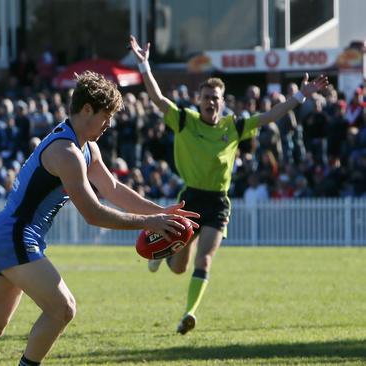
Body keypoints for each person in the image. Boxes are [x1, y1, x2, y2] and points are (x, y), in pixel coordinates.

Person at [0, 71, 199, 366]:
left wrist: (158, 211)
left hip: (5, 235)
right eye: (106, 116)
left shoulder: (86, 147)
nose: (109, 124)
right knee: (62, 308)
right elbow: (93, 213)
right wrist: (148, 222)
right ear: (86, 110)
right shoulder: (66, 152)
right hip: (14, 236)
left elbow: (113, 188)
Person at [129, 35, 328, 335]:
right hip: (190, 200)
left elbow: (269, 116)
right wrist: (144, 65)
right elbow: (158, 99)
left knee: (205, 259)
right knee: (180, 267)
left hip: (219, 201)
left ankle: (189, 314)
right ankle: (164, 255)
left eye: (216, 98)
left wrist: (301, 95)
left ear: (223, 103)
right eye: (206, 97)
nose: (211, 101)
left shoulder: (233, 126)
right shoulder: (185, 120)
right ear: (199, 100)